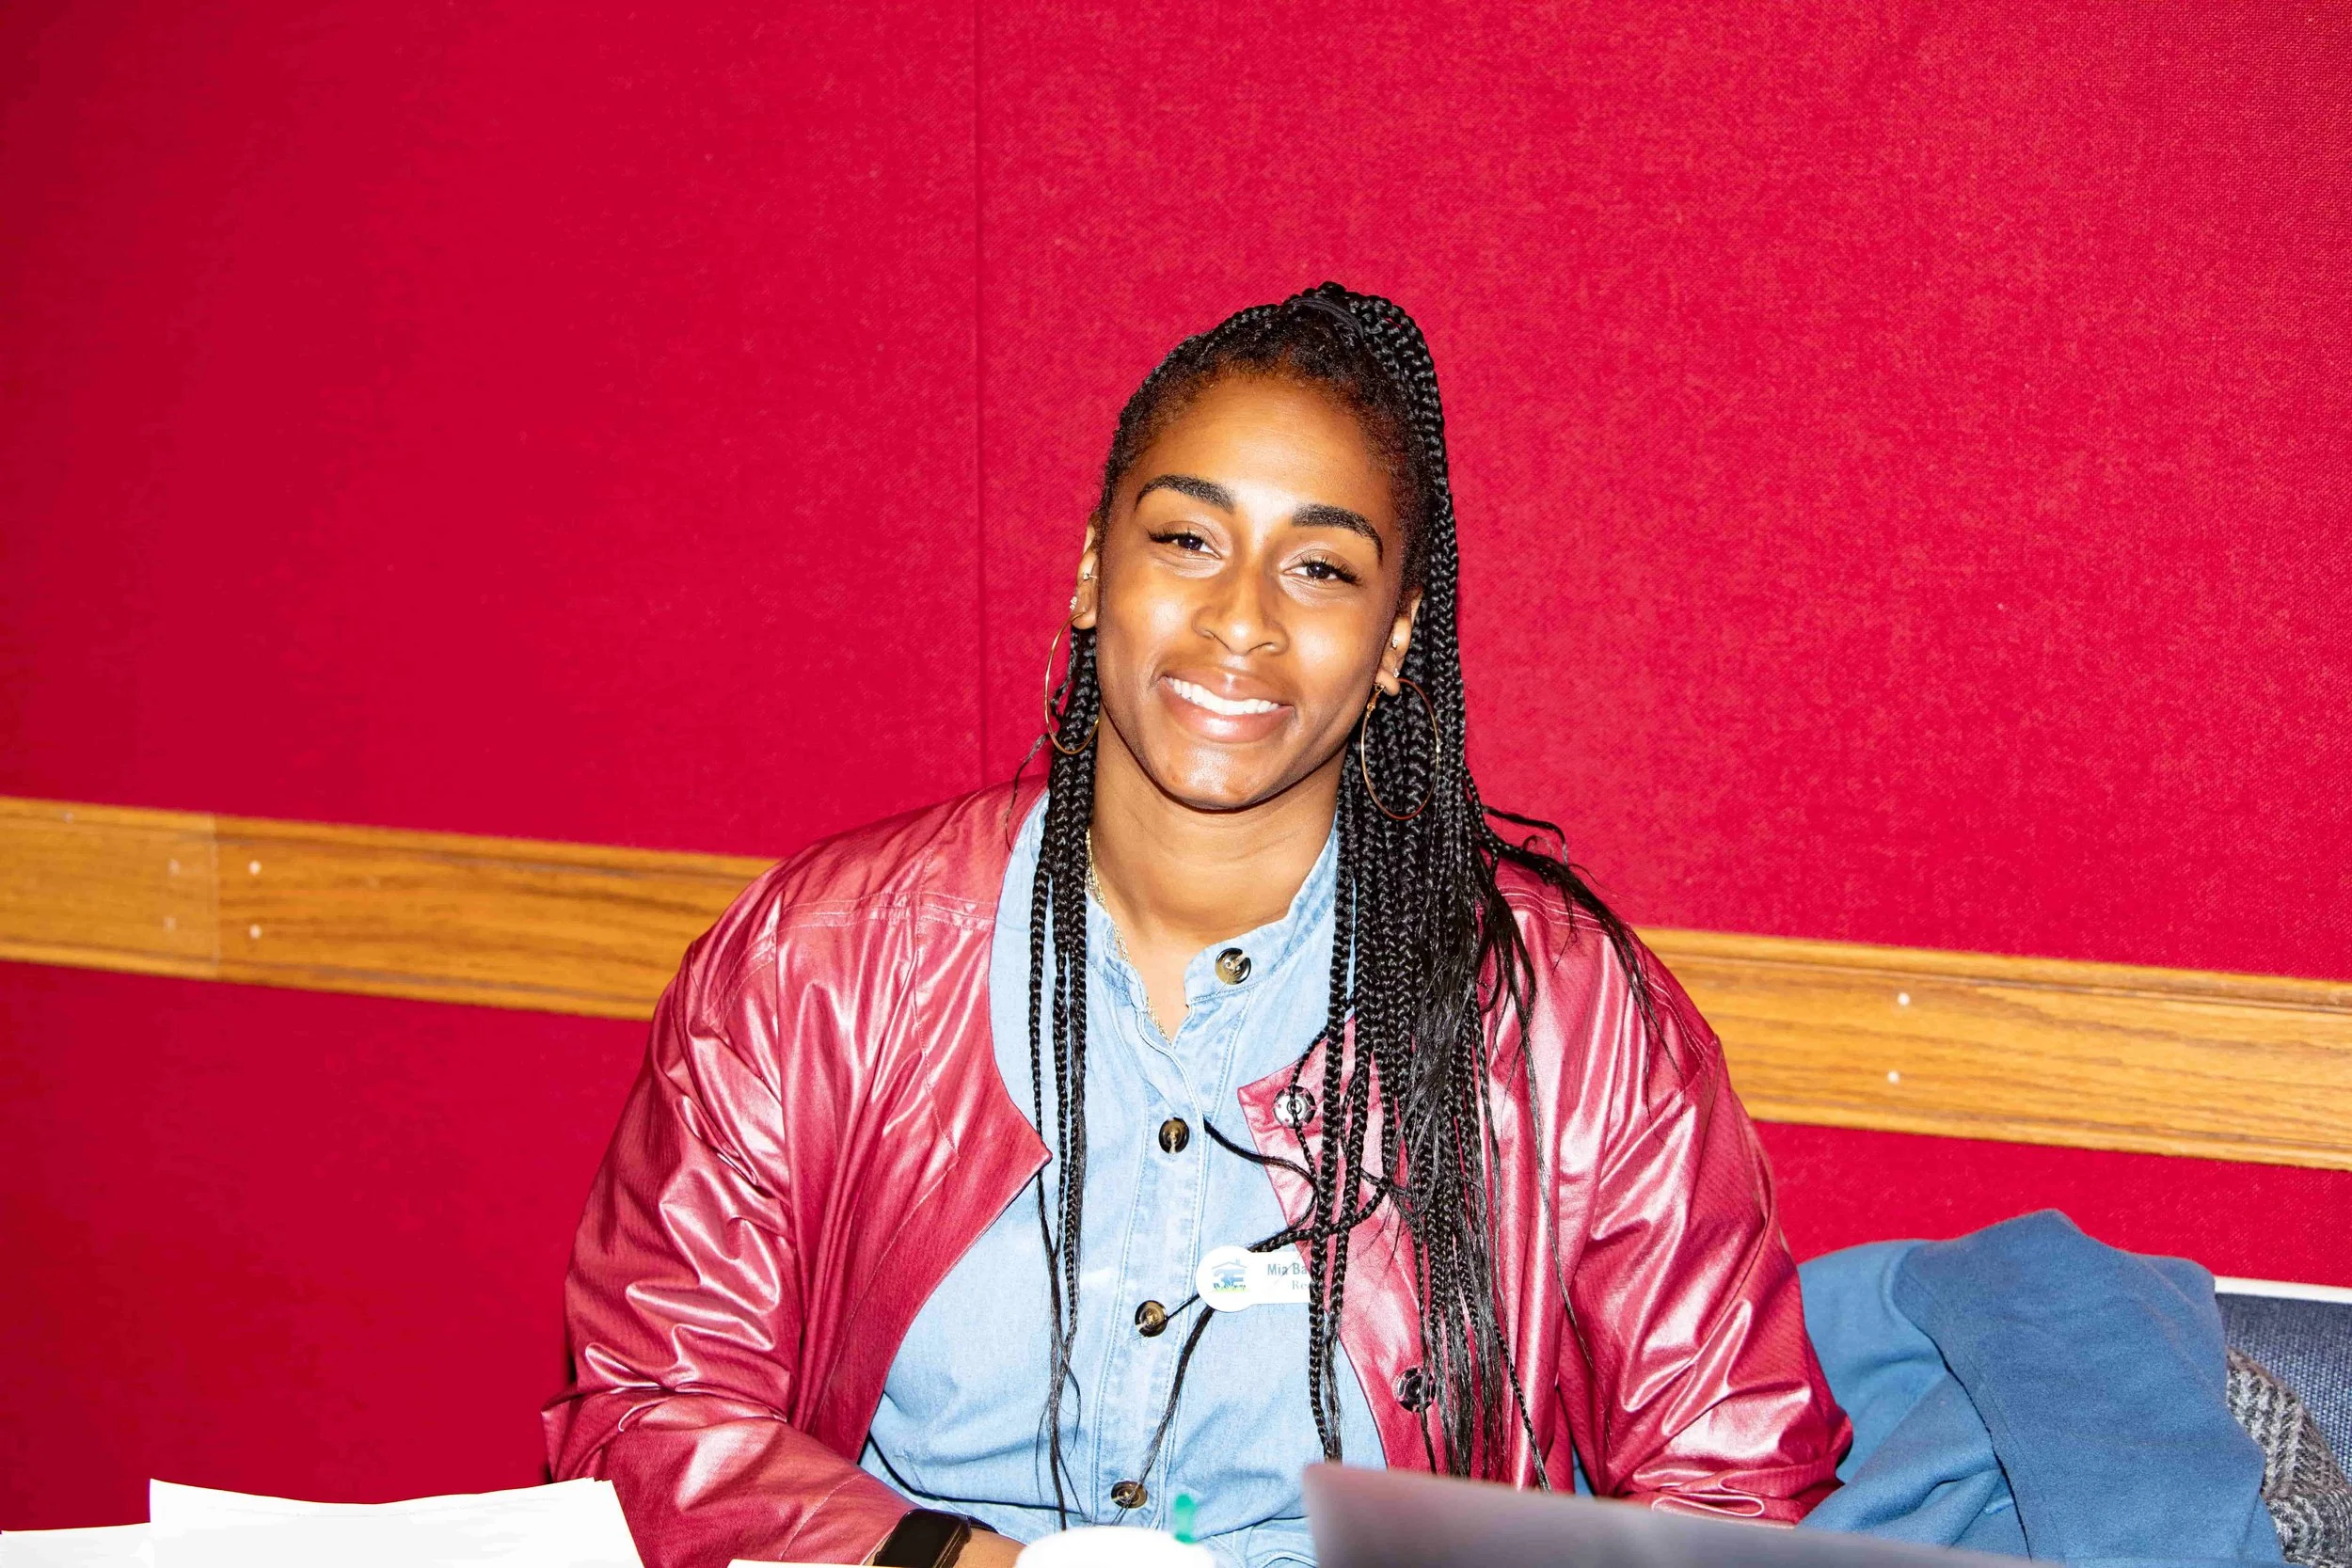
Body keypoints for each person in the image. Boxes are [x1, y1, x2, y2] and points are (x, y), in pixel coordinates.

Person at [543, 285, 1851, 1568]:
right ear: (1092, 571)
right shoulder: (816, 962)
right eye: (1187, 540)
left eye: (1320, 568)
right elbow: (654, 1410)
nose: (1241, 623)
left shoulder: (1566, 1017)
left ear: (1396, 638)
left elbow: (1731, 1487)